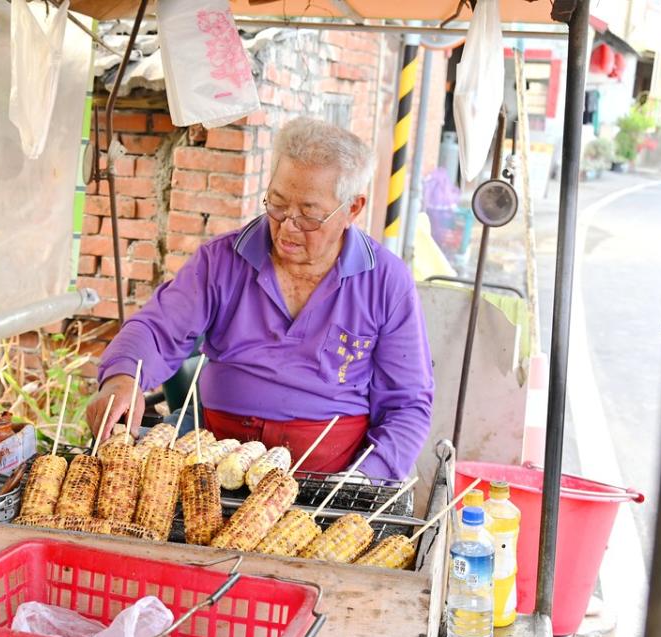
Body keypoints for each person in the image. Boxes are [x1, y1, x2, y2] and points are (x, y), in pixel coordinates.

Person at [85, 116, 433, 479]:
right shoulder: (222, 260)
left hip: (331, 472)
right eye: (278, 205)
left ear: (353, 209)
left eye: (309, 215)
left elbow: (407, 404)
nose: (286, 227)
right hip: (212, 458)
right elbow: (157, 329)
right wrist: (122, 377)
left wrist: (364, 479)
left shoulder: (386, 282)